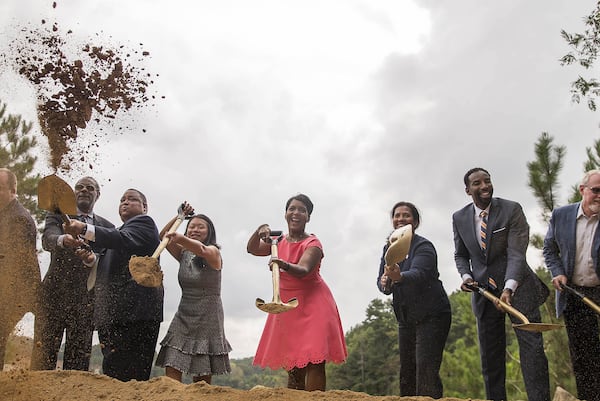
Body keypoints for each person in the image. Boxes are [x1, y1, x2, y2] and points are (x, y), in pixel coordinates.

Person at [452, 167, 550, 401]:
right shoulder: (459, 217)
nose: (484, 186)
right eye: (477, 183)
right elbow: (460, 255)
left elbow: (517, 253)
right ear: (468, 190)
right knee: (491, 357)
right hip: (484, 292)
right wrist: (466, 277)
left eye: (487, 181)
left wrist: (509, 287)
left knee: (532, 351)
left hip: (518, 287)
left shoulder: (511, 209)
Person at [246, 193, 347, 391]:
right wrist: (258, 231)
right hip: (287, 307)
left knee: (314, 362)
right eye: (292, 208)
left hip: (314, 304)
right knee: (293, 365)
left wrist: (282, 263)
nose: (296, 213)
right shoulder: (278, 240)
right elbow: (252, 249)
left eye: (302, 210)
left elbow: (304, 270)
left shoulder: (313, 244)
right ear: (285, 213)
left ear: (308, 217)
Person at [64, 188, 162, 381]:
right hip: (111, 314)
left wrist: (84, 228)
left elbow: (121, 240)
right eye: (122, 199)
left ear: (144, 207)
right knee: (112, 372)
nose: (125, 202)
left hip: (135, 315)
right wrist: (91, 259)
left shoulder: (145, 224)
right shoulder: (118, 233)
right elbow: (110, 260)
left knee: (131, 378)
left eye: (131, 199)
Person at [31, 176, 114, 371]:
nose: (84, 190)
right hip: (53, 296)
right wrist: (63, 239)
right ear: (73, 192)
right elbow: (48, 239)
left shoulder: (106, 228)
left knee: (77, 361)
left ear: (98, 195)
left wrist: (92, 259)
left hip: (85, 301)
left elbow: (108, 261)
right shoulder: (57, 215)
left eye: (90, 188)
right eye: (79, 187)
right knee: (44, 354)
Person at [377, 201, 451, 397]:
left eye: (406, 215)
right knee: (407, 372)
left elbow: (420, 273)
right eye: (397, 215)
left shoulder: (423, 246)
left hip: (432, 315)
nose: (401, 219)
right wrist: (385, 282)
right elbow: (382, 282)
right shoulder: (389, 247)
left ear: (415, 222)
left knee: (426, 371)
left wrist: (399, 277)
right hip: (406, 318)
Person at [155, 206, 232, 383]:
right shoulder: (183, 253)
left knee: (202, 372)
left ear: (209, 232)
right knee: (172, 360)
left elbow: (203, 251)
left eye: (200, 227)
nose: (195, 229)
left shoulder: (213, 251)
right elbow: (163, 236)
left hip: (208, 315)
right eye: (192, 226)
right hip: (184, 312)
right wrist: (180, 216)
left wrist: (182, 238)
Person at [543, 169, 600, 401]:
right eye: (596, 191)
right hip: (574, 293)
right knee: (584, 355)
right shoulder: (561, 215)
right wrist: (557, 273)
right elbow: (549, 249)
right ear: (582, 189)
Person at [0, 168, 40, 371]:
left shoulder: (18, 219)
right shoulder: (4, 215)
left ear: (13, 190)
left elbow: (14, 263)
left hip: (13, 294)